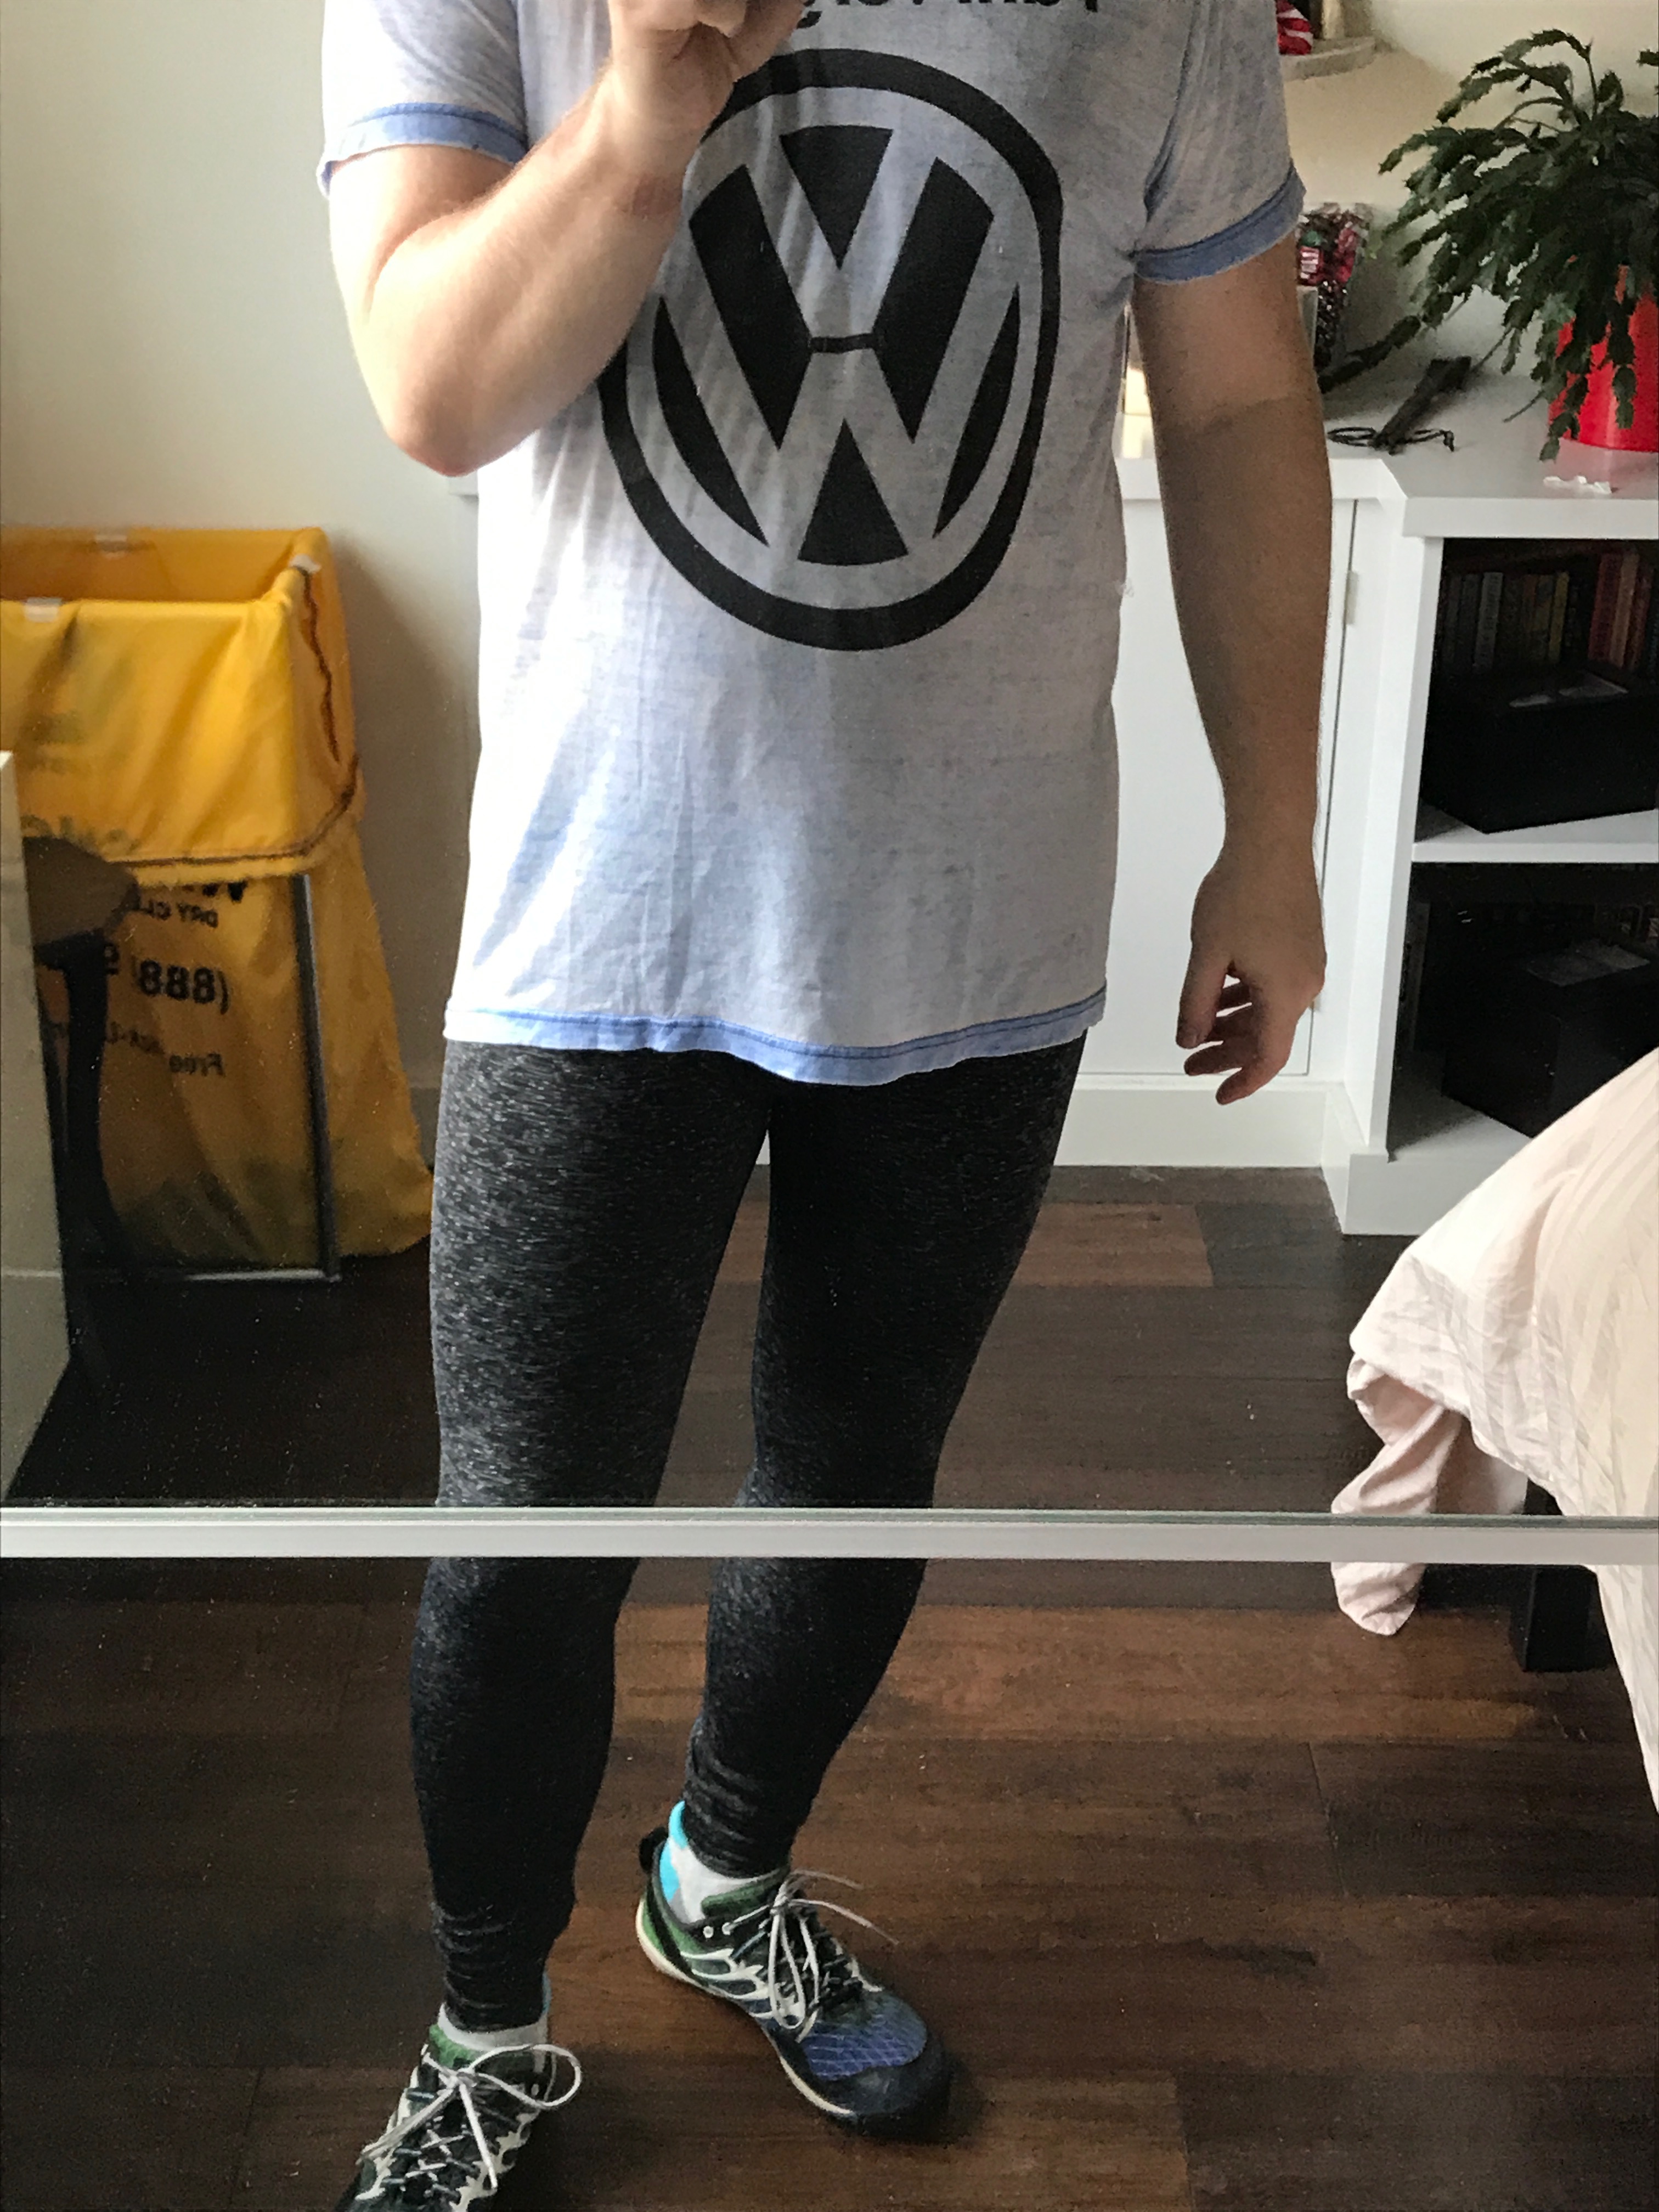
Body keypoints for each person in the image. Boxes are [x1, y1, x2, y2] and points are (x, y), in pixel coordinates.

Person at [320, 0, 1329, 2197]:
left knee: (859, 1478)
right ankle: (486, 2023)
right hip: (599, 924)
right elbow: (429, 387)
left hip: (982, 916)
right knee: (520, 1541)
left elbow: (1243, 397)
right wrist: (645, 106)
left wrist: (1276, 832)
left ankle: (725, 1879)